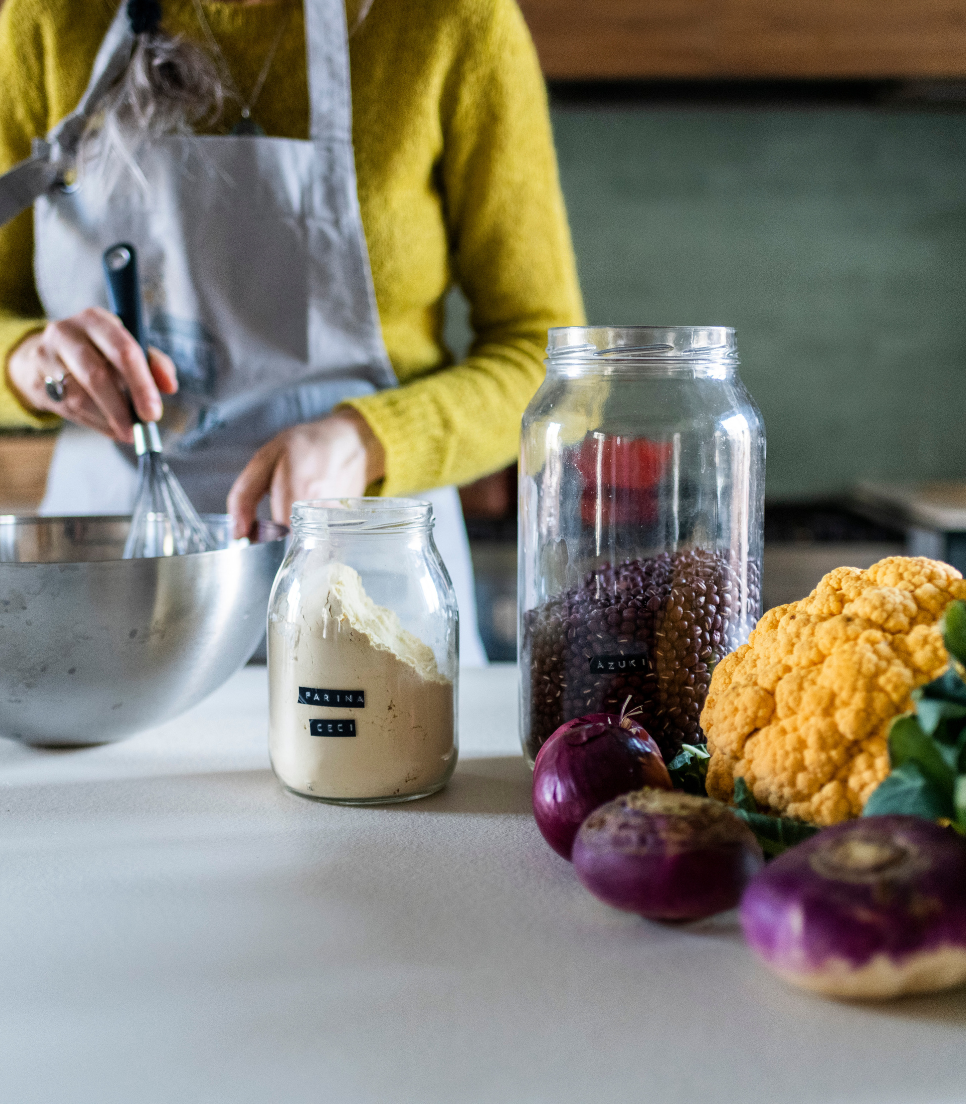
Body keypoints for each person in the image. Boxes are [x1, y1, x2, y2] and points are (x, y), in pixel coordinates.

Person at [0, 0, 584, 660]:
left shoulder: (450, 22)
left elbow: (544, 357)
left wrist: (369, 440)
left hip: (368, 590)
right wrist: (25, 362)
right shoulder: (47, 18)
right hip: (103, 591)